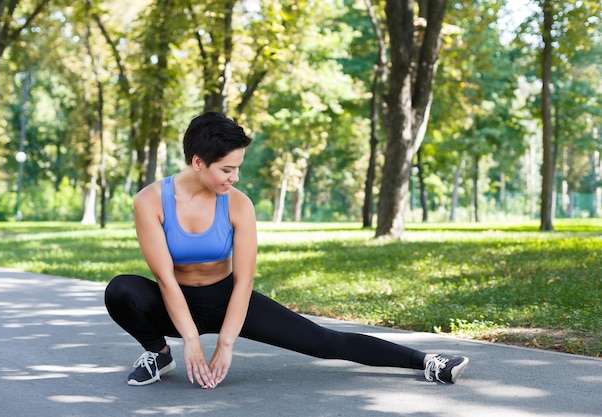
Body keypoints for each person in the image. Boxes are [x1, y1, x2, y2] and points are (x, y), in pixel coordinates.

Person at [104, 112, 469, 389]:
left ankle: (427, 361)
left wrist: (226, 343)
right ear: (198, 162)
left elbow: (244, 281)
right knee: (121, 290)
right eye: (226, 169)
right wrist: (190, 342)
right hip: (175, 302)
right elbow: (165, 280)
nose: (234, 178)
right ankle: (159, 353)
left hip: (230, 299)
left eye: (238, 168)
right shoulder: (151, 200)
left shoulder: (238, 204)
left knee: (324, 341)